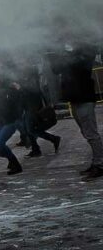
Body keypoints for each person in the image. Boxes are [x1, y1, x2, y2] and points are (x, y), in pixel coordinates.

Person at [50, 43, 103, 179]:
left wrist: (67, 53)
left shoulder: (85, 49)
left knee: (91, 133)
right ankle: (96, 162)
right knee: (86, 133)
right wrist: (54, 54)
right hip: (74, 97)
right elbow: (56, 69)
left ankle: (100, 164)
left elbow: (81, 63)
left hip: (84, 97)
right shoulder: (67, 53)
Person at [0, 74, 24, 175]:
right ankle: (11, 161)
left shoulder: (9, 91)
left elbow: (14, 100)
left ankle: (16, 165)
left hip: (9, 122)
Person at [20, 65, 61, 158]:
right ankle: (36, 149)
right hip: (28, 108)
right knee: (28, 130)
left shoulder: (33, 79)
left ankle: (53, 139)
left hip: (33, 109)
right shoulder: (27, 79)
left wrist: (20, 88)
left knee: (31, 130)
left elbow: (33, 91)